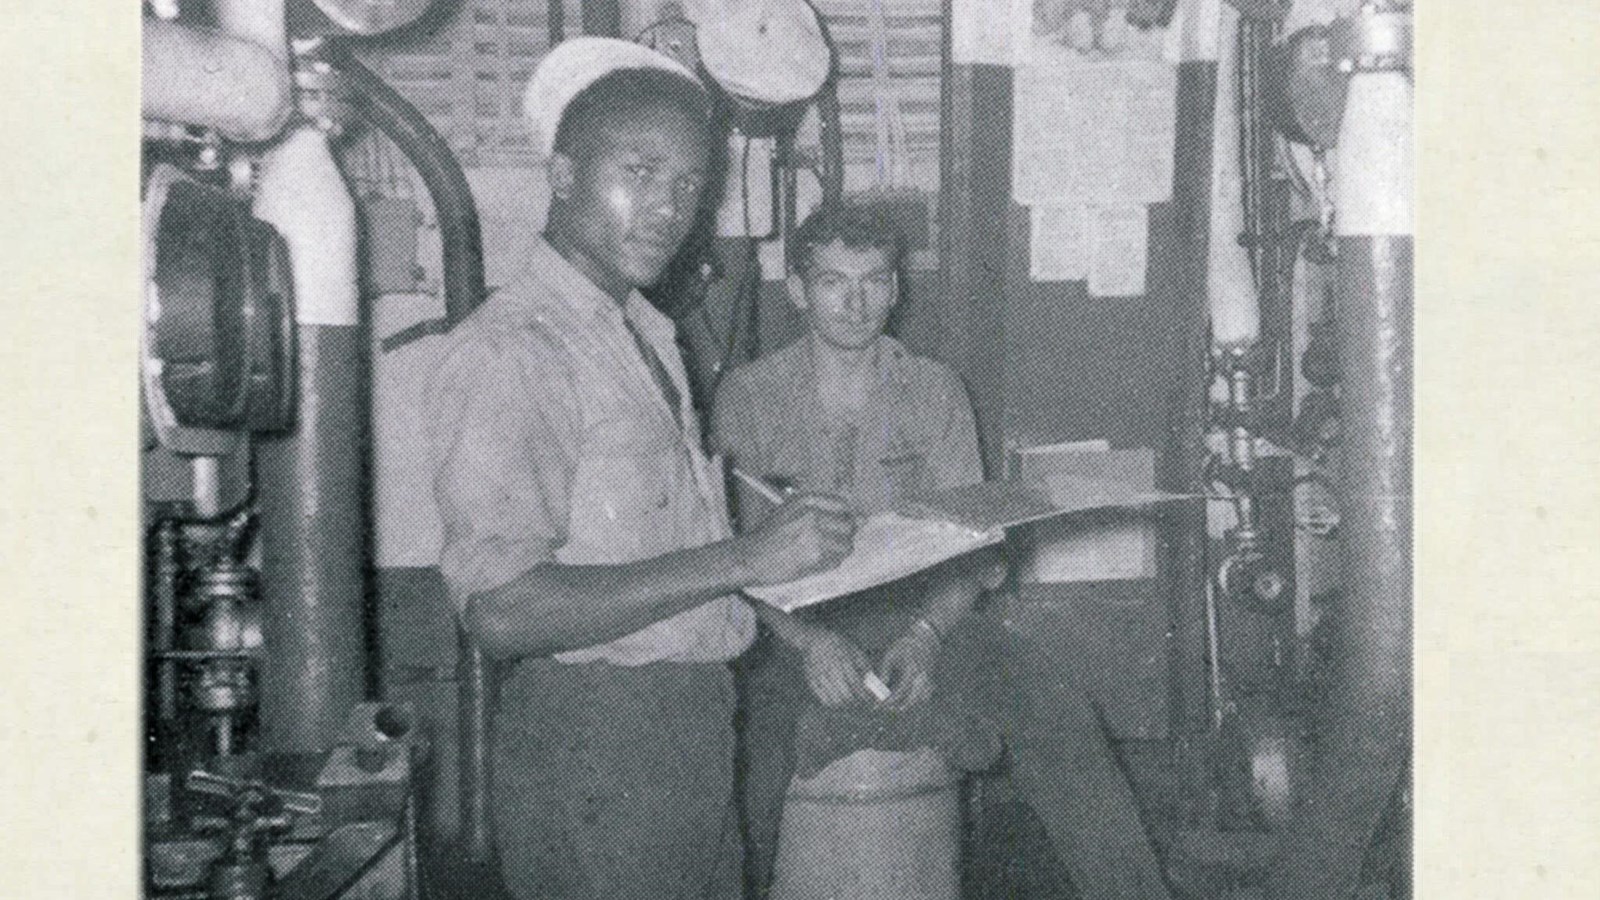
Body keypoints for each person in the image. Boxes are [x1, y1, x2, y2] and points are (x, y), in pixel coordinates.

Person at [424, 38, 855, 900]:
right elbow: (503, 613)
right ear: (562, 174)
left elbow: (658, 537)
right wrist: (747, 560)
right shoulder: (517, 349)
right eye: (640, 171)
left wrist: (763, 547)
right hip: (598, 744)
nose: (666, 207)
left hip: (689, 730)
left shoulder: (644, 333)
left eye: (688, 185)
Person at [712, 202, 1176, 900]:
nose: (856, 301)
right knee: (742, 758)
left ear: (896, 289)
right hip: (788, 625)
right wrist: (808, 642)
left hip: (920, 611)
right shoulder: (748, 396)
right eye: (834, 281)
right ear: (799, 290)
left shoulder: (934, 390)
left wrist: (927, 635)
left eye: (874, 280)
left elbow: (968, 546)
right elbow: (736, 560)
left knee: (1056, 711)